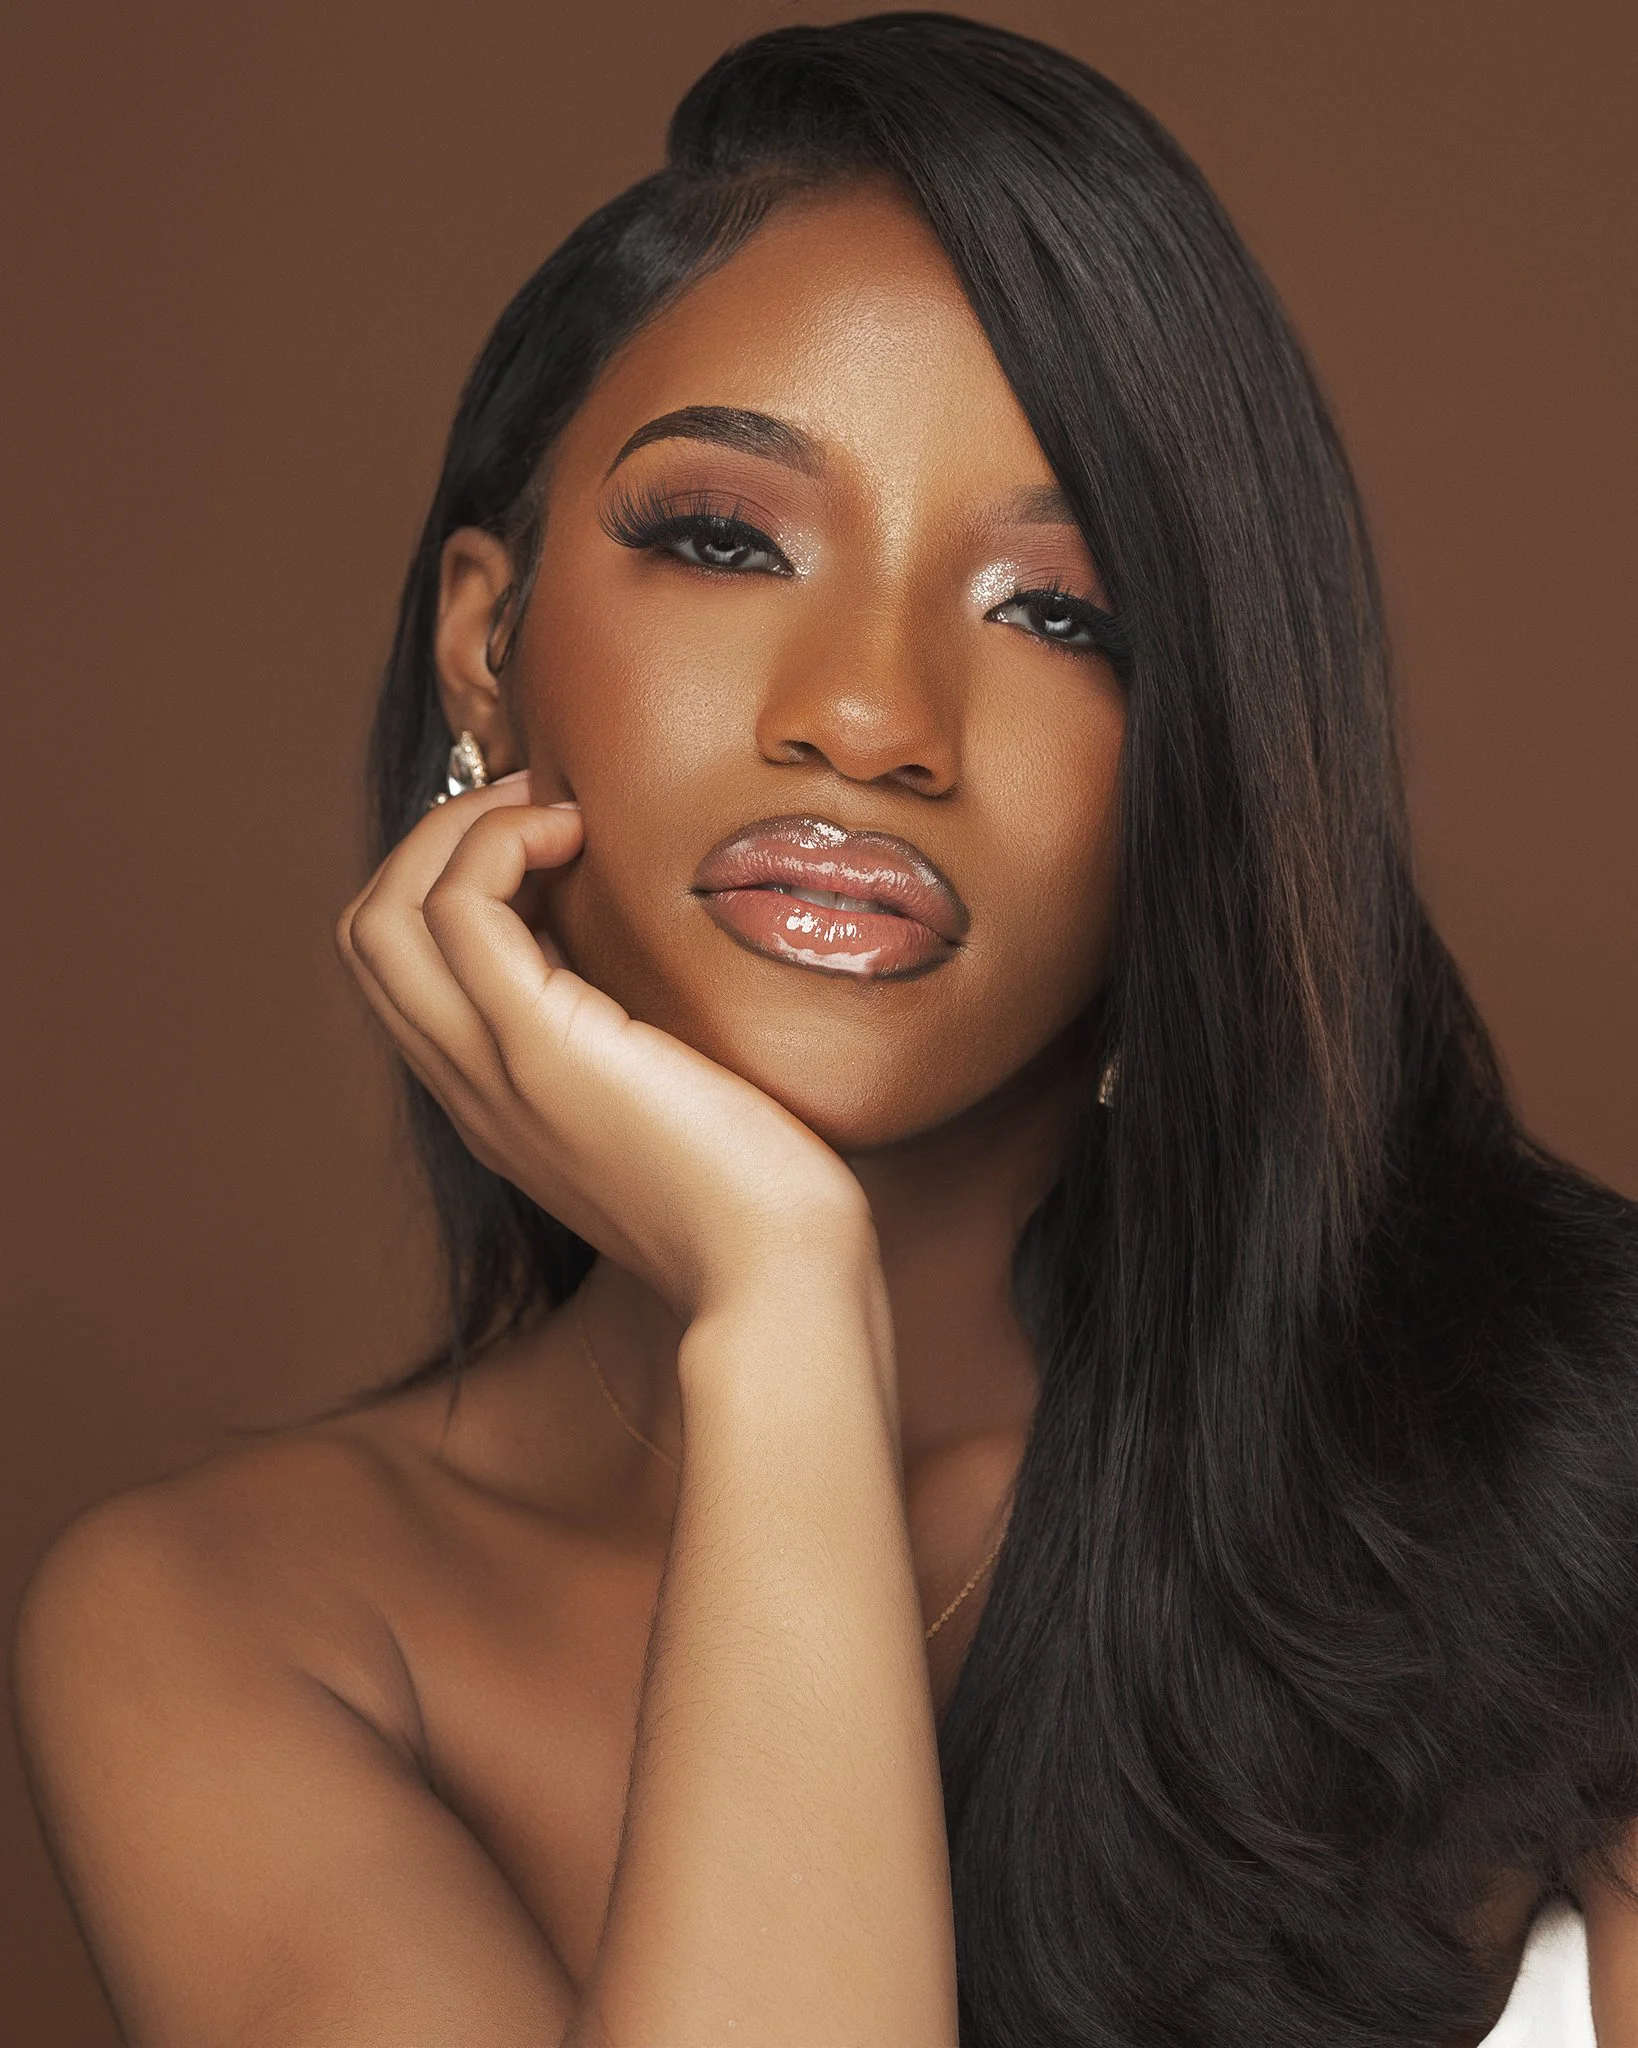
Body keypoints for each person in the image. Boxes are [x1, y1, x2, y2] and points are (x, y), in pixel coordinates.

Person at [13, 14, 1638, 2046]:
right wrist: (778, 1308)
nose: (870, 717)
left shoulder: (1580, 1481)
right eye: (722, 539)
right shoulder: (236, 1631)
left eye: (1063, 614)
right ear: (485, 651)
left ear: (1208, 761)